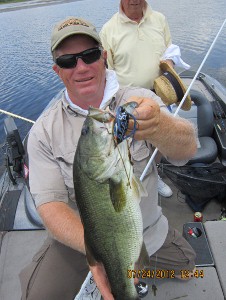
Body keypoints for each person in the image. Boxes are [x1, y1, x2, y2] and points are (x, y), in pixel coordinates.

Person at [19, 16, 197, 300]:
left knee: (191, 269)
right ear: (57, 71)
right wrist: (98, 254)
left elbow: (187, 149)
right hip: (80, 242)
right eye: (68, 61)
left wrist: (160, 126)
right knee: (41, 295)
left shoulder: (140, 99)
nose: (81, 67)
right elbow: (50, 206)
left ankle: (134, 276)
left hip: (147, 233)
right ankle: (117, 276)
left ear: (104, 57)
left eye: (89, 55)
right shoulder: (43, 132)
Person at [100, 0, 191, 198]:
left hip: (158, 94)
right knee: (130, 145)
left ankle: (153, 175)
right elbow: (106, 71)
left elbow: (169, 51)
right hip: (127, 100)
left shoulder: (159, 19)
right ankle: (128, 179)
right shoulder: (108, 29)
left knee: (158, 140)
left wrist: (169, 61)